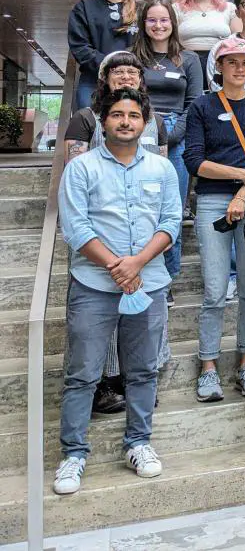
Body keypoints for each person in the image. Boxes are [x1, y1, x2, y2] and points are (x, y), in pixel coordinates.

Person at [53, 87, 180, 496]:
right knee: (83, 374)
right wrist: (117, 266)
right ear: (103, 121)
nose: (125, 121)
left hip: (150, 282)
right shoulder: (82, 168)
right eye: (117, 115)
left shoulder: (161, 169)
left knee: (142, 371)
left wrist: (137, 263)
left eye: (133, 115)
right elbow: (75, 227)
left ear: (145, 124)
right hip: (94, 285)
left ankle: (139, 443)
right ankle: (74, 454)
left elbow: (171, 221)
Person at [63, 53, 171, 415]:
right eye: (117, 72)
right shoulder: (84, 123)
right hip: (98, 252)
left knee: (142, 341)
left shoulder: (155, 130)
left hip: (146, 254)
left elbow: (166, 206)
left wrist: (139, 261)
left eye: (132, 73)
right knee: (92, 342)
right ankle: (103, 386)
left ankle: (136, 390)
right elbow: (76, 219)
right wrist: (118, 264)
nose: (125, 78)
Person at [183, 37, 245, 402]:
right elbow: (195, 161)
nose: (240, 69)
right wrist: (242, 176)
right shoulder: (202, 107)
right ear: (219, 67)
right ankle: (208, 367)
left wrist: (244, 191)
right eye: (232, 62)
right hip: (211, 202)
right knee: (214, 289)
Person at [131, 0, 203, 287]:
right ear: (143, 24)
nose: (158, 26)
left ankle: (167, 277)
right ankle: (138, 272)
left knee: (170, 208)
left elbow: (195, 102)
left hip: (177, 133)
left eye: (164, 20)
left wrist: (171, 135)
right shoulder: (134, 58)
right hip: (139, 128)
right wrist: (149, 128)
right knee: (138, 205)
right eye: (151, 20)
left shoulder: (188, 59)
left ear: (173, 23)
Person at [67, 0, 139, 110]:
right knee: (91, 128)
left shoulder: (140, 10)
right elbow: (80, 47)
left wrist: (126, 71)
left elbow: (145, 48)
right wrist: (111, 67)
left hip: (131, 83)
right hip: (94, 83)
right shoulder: (84, 8)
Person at [173, 0, 241, 77]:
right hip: (185, 67)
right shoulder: (176, 9)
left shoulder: (230, 8)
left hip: (220, 68)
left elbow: (239, 43)